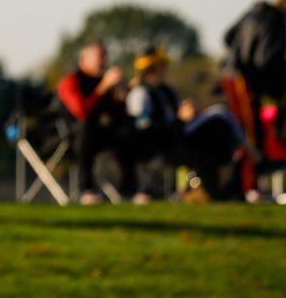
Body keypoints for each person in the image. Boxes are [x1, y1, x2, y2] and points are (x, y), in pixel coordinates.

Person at [222, 0, 286, 197]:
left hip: (235, 75)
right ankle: (250, 187)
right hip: (244, 78)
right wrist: (285, 70)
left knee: (246, 130)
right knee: (249, 132)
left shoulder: (252, 13)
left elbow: (228, 37)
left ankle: (242, 186)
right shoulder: (274, 21)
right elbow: (265, 58)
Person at [56, 40, 135, 203]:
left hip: (98, 135)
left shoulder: (105, 81)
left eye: (106, 56)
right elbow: (81, 112)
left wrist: (123, 94)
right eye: (100, 56)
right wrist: (103, 86)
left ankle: (129, 189)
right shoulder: (71, 81)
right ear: (84, 59)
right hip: (68, 137)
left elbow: (117, 114)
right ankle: (87, 189)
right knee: (86, 126)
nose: (105, 60)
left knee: (126, 128)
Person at [126, 47, 192, 201]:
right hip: (152, 144)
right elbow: (142, 126)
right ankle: (147, 191)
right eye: (161, 67)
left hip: (173, 138)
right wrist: (179, 122)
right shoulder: (140, 93)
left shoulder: (168, 92)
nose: (164, 71)